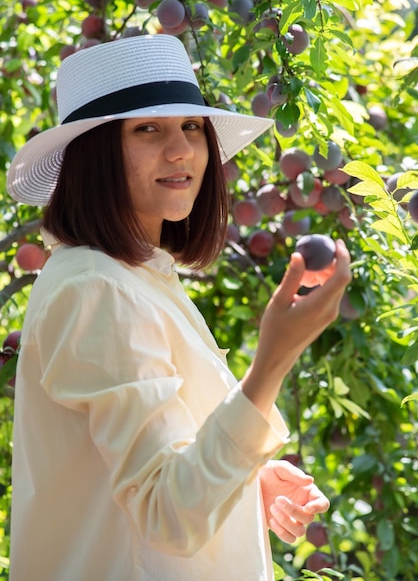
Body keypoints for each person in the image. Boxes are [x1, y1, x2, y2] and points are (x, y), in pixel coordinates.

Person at [7, 34, 351, 581]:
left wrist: (241, 485)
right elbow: (166, 512)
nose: (181, 150)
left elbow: (147, 470)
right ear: (94, 154)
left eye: (191, 126)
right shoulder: (96, 289)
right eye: (148, 129)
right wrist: (272, 363)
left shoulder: (137, 277)